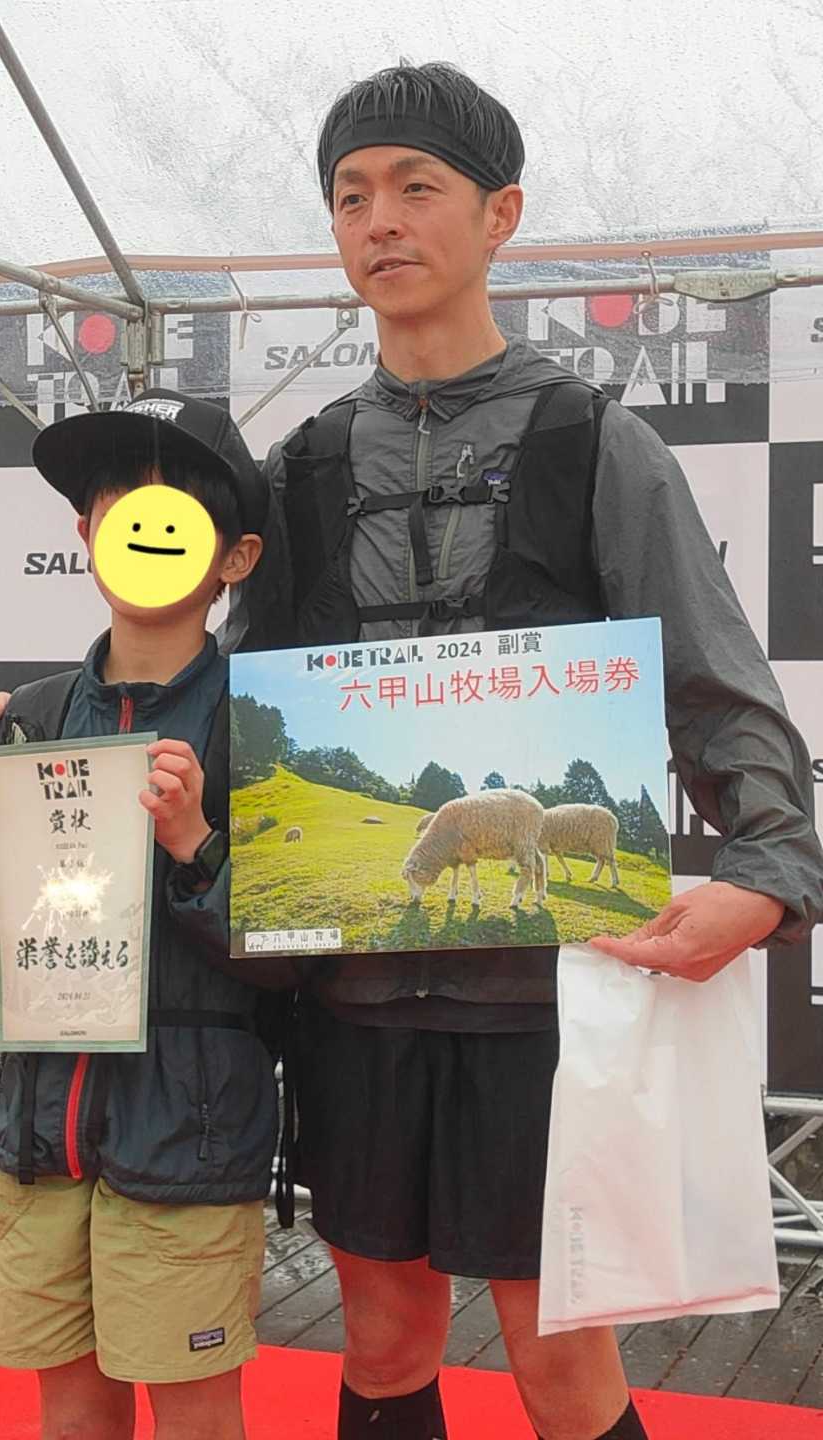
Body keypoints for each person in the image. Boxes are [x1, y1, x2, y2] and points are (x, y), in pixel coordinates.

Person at [223, 62, 823, 1440]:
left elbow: (719, 687)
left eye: (415, 187)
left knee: (561, 1361)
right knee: (381, 1340)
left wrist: (770, 871)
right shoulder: (299, 466)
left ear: (501, 214)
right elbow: (240, 700)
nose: (380, 220)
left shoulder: (598, 443)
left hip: (549, 999)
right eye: (350, 197)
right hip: (351, 1000)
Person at [0, 390, 285, 1440]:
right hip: (41, 1132)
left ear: (236, 556)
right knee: (71, 1406)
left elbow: (290, 955)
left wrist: (196, 845)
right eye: (119, 504)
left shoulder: (266, 720)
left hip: (190, 1135)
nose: (141, 529)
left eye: (176, 512)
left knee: (196, 1412)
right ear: (86, 534)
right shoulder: (29, 716)